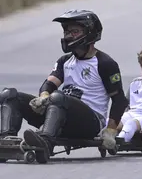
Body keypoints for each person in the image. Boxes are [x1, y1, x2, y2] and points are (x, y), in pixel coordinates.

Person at [0, 10, 128, 158]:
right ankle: (6, 141)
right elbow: (49, 84)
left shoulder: (105, 63)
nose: (68, 36)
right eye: (66, 31)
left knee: (57, 97)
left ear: (90, 33)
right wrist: (43, 97)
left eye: (74, 31)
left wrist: (110, 131)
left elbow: (119, 100)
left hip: (90, 122)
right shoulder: (64, 61)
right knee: (9, 95)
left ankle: (45, 141)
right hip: (58, 112)